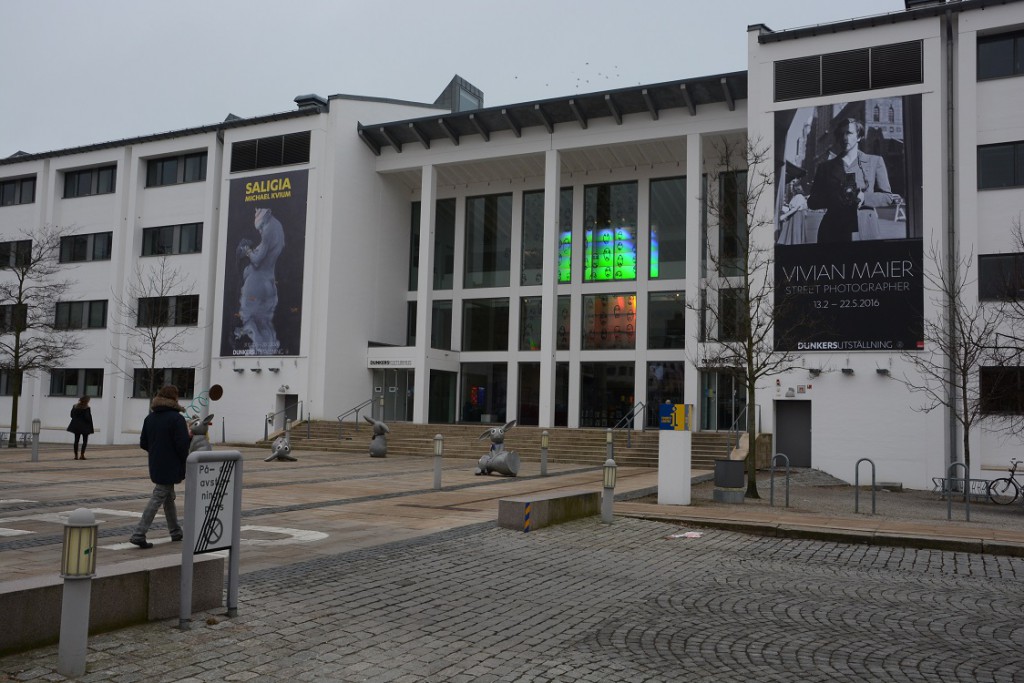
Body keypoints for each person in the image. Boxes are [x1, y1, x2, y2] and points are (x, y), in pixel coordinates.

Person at [790, 118, 901, 243]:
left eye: (849, 133)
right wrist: (832, 197)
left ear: (859, 137)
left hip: (865, 229)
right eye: (841, 134)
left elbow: (887, 197)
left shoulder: (875, 162)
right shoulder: (825, 167)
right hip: (832, 231)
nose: (844, 137)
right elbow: (813, 202)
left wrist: (864, 198)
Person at [130, 384, 190, 549]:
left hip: (156, 462)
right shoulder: (177, 419)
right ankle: (138, 533)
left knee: (167, 496)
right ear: (174, 398)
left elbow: (143, 442)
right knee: (159, 496)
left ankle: (175, 531)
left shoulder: (150, 418)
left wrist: (157, 451)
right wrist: (186, 456)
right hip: (171, 464)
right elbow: (182, 444)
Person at [235, 206, 285, 354]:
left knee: (249, 318)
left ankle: (258, 353)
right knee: (264, 322)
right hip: (269, 284)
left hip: (256, 284)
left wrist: (248, 252)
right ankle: (269, 353)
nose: (260, 231)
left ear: (266, 217)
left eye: (261, 226)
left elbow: (257, 260)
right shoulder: (278, 227)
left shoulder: (269, 231)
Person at [66, 396, 94, 460]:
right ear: (86, 401)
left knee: (76, 441)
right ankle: (82, 455)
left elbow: (71, 415)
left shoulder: (75, 406)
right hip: (85, 427)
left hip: (76, 426)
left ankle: (76, 455)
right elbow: (87, 418)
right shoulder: (87, 408)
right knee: (85, 441)